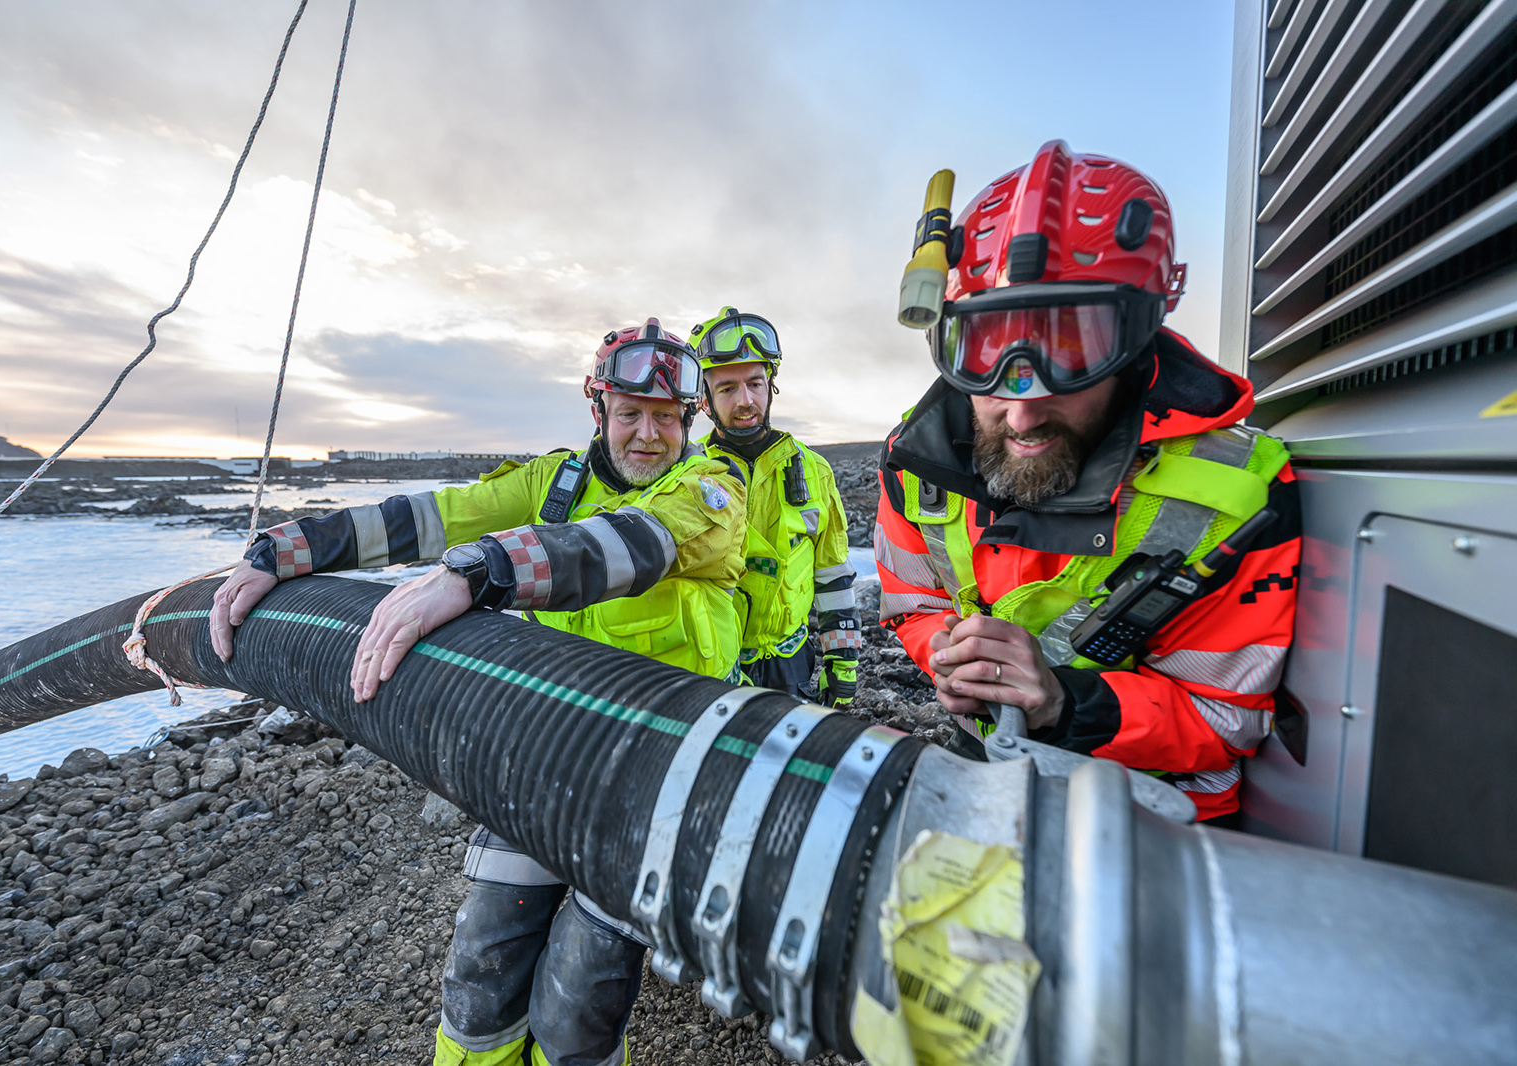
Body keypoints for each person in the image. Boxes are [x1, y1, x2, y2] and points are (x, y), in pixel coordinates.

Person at [208, 319, 747, 1066]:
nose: (649, 435)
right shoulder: (554, 484)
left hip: (653, 771)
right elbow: (433, 517)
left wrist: (478, 573)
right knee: (482, 968)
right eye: (630, 414)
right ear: (599, 412)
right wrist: (286, 550)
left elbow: (637, 541)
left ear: (688, 422)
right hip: (542, 753)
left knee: (582, 997)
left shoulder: (713, 488)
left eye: (665, 418)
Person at [874, 141, 1301, 820]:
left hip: (1157, 826)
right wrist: (950, 656)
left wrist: (1066, 703)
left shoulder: (1236, 496)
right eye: (986, 350)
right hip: (985, 786)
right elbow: (913, 607)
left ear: (1135, 342)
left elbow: (1225, 720)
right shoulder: (913, 468)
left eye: (1073, 349)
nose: (1020, 408)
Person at [690, 307, 861, 705]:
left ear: (771, 385)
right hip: (710, 665)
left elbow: (833, 575)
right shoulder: (688, 477)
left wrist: (844, 662)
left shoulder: (814, 470)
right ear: (704, 400)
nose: (746, 400)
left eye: (755, 383)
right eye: (728, 388)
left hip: (791, 663)